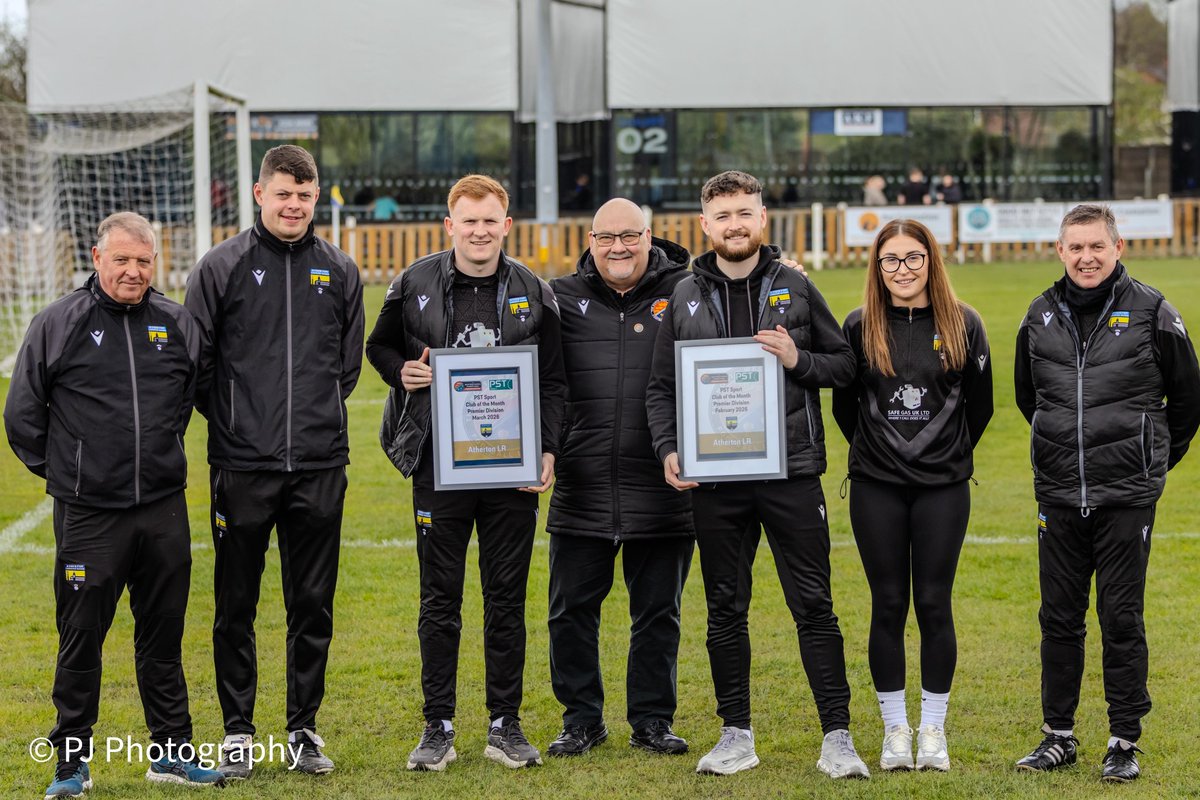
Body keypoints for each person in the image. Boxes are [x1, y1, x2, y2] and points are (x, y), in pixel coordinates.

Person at [645, 170, 869, 779]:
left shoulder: (794, 285)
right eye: (722, 216)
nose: (734, 225)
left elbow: (846, 365)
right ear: (705, 225)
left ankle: (838, 737)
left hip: (791, 474)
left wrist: (798, 358)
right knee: (724, 607)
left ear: (762, 218)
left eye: (744, 213)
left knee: (814, 605)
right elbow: (662, 388)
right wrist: (669, 448)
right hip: (716, 480)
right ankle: (735, 733)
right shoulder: (682, 296)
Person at [5, 213, 226, 797]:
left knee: (164, 637)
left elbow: (184, 405)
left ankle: (172, 753)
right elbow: (23, 415)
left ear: (156, 263)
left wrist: (153, 462)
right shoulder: (59, 323)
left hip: (161, 510)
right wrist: (72, 476)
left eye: (144, 261)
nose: (133, 271)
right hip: (88, 515)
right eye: (122, 259)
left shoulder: (177, 324)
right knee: (80, 638)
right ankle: (71, 763)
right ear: (97, 258)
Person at [366, 174, 566, 772]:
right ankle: (439, 724)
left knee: (506, 598)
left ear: (507, 226)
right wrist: (401, 371)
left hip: (510, 470)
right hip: (437, 464)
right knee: (439, 598)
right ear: (449, 225)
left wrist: (548, 449)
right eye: (468, 221)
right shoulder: (413, 282)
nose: (479, 231)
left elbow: (554, 381)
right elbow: (378, 348)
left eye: (490, 221)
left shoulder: (534, 289)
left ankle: (505, 723)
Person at [185, 144, 365, 779]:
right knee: (235, 603)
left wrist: (306, 421)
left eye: (305, 195)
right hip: (241, 467)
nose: (294, 205)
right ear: (259, 194)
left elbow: (345, 370)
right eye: (283, 194)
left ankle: (302, 730)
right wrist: (241, 424)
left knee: (311, 602)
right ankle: (238, 731)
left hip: (320, 465)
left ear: (317, 199)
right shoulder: (220, 267)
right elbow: (196, 367)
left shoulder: (340, 270)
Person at [1013, 204, 1200, 782]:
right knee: (1059, 618)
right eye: (1076, 247)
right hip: (1060, 493)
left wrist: (1151, 460)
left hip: (1127, 494)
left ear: (1119, 248)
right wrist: (1064, 454)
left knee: (1121, 616)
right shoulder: (1039, 314)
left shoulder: (1153, 311)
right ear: (1059, 251)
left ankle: (1123, 741)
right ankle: (1058, 736)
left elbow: (1188, 401)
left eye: (1098, 246)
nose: (1087, 257)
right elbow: (1029, 399)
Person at [832, 219, 993, 773]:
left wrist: (940, 457)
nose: (903, 270)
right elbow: (844, 410)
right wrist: (883, 458)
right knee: (889, 604)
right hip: (875, 488)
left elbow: (982, 406)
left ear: (931, 261)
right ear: (877, 267)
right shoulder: (858, 326)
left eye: (913, 258)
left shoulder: (965, 323)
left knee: (932, 603)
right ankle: (895, 730)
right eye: (891, 260)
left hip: (943, 490)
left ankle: (932, 731)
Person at [543, 198, 695, 759]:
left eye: (629, 236)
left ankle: (653, 720)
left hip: (663, 482)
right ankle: (581, 719)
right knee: (570, 612)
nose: (618, 247)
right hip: (580, 483)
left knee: (658, 613)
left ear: (650, 237)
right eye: (606, 238)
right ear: (589, 240)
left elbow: (744, 286)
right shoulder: (557, 297)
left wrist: (785, 274)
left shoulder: (685, 290)